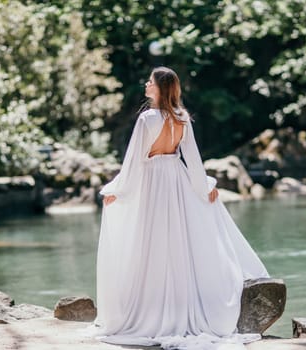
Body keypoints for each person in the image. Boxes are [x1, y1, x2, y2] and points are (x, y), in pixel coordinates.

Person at [93, 67, 269, 349]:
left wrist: (118, 191)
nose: (146, 84)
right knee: (178, 243)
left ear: (160, 87)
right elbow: (193, 160)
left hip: (152, 182)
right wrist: (204, 188)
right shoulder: (182, 118)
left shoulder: (147, 119)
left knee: (151, 244)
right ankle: (179, 307)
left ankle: (152, 309)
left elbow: (134, 162)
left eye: (150, 81)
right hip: (176, 181)